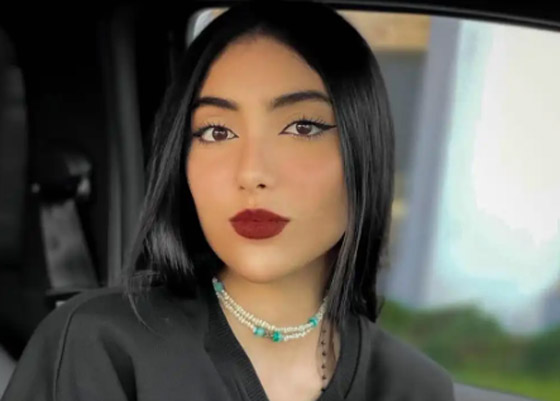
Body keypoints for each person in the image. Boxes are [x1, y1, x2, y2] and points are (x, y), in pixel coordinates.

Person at [2, 1, 456, 400]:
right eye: (217, 132)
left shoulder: (415, 387)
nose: (252, 172)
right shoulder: (98, 347)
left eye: (302, 127)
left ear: (364, 150)